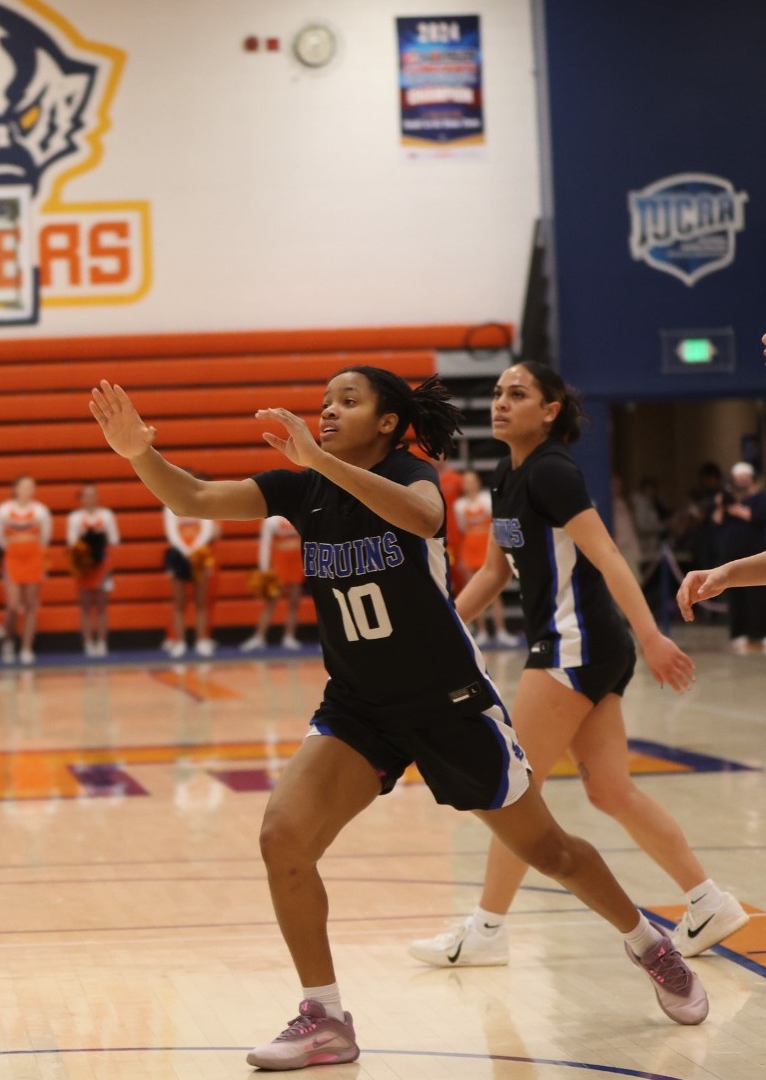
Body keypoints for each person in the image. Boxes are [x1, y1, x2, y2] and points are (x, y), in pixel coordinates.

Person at [89, 368, 707, 1072]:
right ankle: (324, 1017)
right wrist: (137, 452)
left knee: (550, 852)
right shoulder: (300, 487)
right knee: (281, 837)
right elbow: (194, 495)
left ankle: (647, 945)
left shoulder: (409, 473)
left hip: (446, 702)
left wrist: (317, 460)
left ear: (386, 423)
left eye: (347, 402)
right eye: (324, 402)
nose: (327, 410)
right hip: (358, 704)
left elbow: (421, 518)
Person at [410, 361, 747, 968]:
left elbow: (609, 554)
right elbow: (492, 571)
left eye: (518, 393)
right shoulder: (506, 476)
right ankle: (708, 902)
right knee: (611, 791)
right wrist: (439, 632)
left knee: (513, 789)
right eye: (497, 393)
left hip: (575, 644)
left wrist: (652, 636)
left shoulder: (554, 473)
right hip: (582, 647)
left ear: (550, 411)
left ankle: (486, 930)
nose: (501, 402)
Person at [0, 476, 50, 665]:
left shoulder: (41, 511)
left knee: (30, 605)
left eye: (31, 487)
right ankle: (8, 641)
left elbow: (45, 537)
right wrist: (16, 546)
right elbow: (0, 538)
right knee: (12, 604)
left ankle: (26, 648)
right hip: (13, 559)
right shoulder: (3, 510)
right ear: (15, 489)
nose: (28, 490)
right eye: (24, 486)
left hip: (33, 559)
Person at [711, 462, 766, 652]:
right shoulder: (730, 499)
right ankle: (738, 633)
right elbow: (717, 522)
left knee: (757, 596)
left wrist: (736, 508)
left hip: (755, 552)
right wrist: (721, 505)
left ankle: (759, 634)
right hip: (731, 553)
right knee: (734, 595)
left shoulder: (760, 498)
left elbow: (757, 517)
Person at [453, 471, 510, 645]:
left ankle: (501, 630)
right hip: (470, 544)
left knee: (494, 591)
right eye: (466, 482)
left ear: (478, 482)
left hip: (487, 542)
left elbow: (495, 520)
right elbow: (462, 527)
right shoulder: (459, 504)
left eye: (472, 481)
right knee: (474, 588)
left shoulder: (486, 499)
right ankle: (482, 631)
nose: (469, 485)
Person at [66, 484, 120, 657]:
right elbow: (71, 541)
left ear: (97, 497)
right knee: (85, 605)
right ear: (81, 498)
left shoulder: (106, 515)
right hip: (83, 565)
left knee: (102, 604)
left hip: (102, 564)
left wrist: (98, 542)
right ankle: (88, 643)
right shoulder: (74, 517)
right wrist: (85, 551)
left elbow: (114, 538)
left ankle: (102, 642)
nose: (89, 498)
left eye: (93, 495)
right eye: (86, 495)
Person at [161, 494, 217, 657]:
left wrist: (195, 550)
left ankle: (201, 640)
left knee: (201, 602)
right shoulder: (169, 505)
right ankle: (180, 642)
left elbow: (207, 529)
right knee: (179, 602)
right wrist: (185, 551)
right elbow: (171, 532)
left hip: (200, 555)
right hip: (178, 555)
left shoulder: (203, 504)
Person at [243, 515, 305, 651]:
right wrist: (264, 568)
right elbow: (265, 544)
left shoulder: (300, 513)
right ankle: (259, 636)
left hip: (296, 563)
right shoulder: (271, 520)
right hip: (279, 564)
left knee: (294, 601)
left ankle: (289, 636)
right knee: (271, 601)